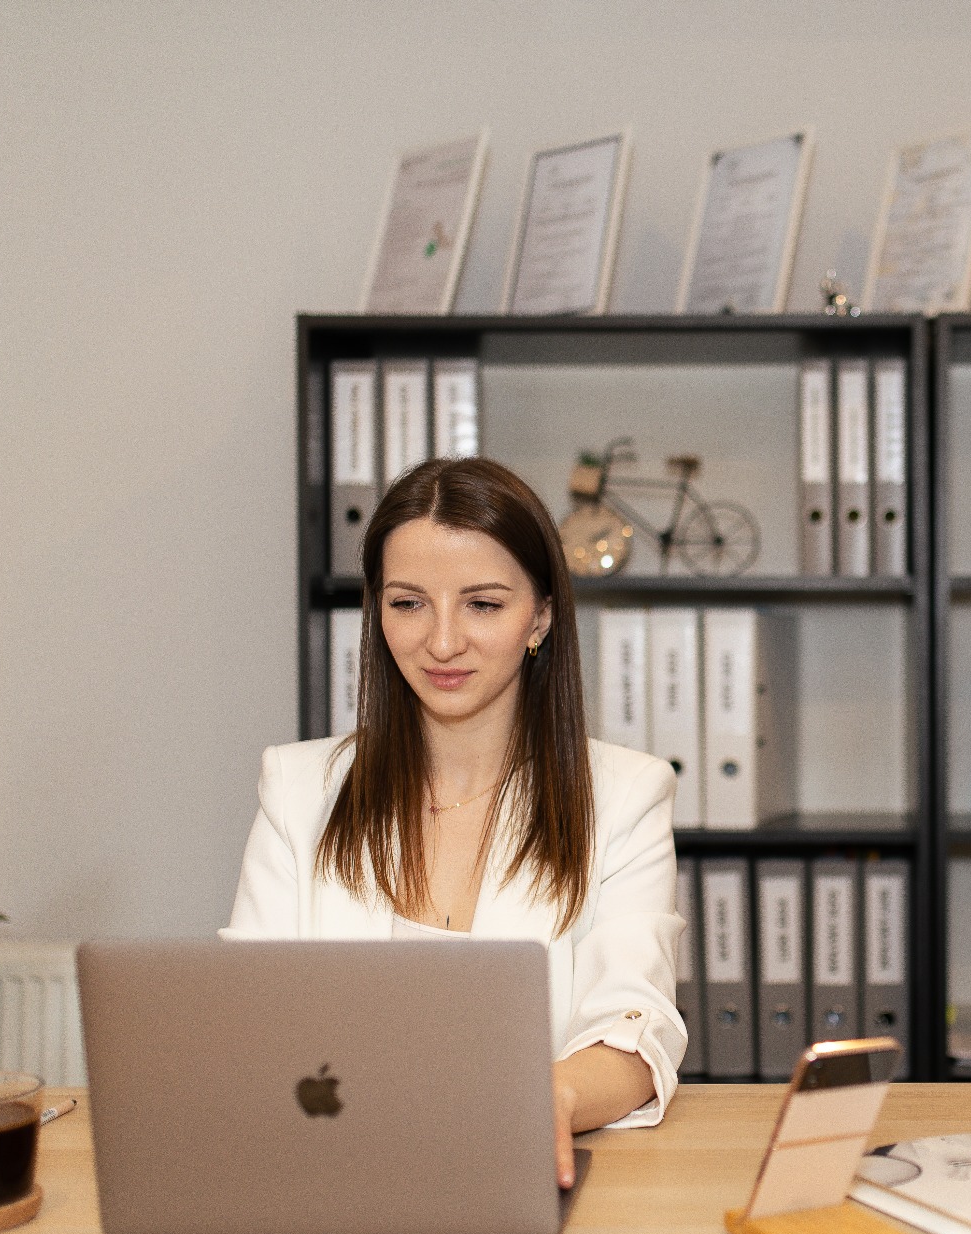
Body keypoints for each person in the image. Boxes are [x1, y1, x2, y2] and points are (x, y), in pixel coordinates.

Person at [223, 457, 684, 1187]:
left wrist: (548, 1098)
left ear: (540, 616)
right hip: (325, 1175)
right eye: (409, 603)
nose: (441, 642)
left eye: (483, 604)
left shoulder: (626, 795)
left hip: (522, 1177)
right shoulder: (296, 788)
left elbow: (635, 1030)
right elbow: (244, 1018)